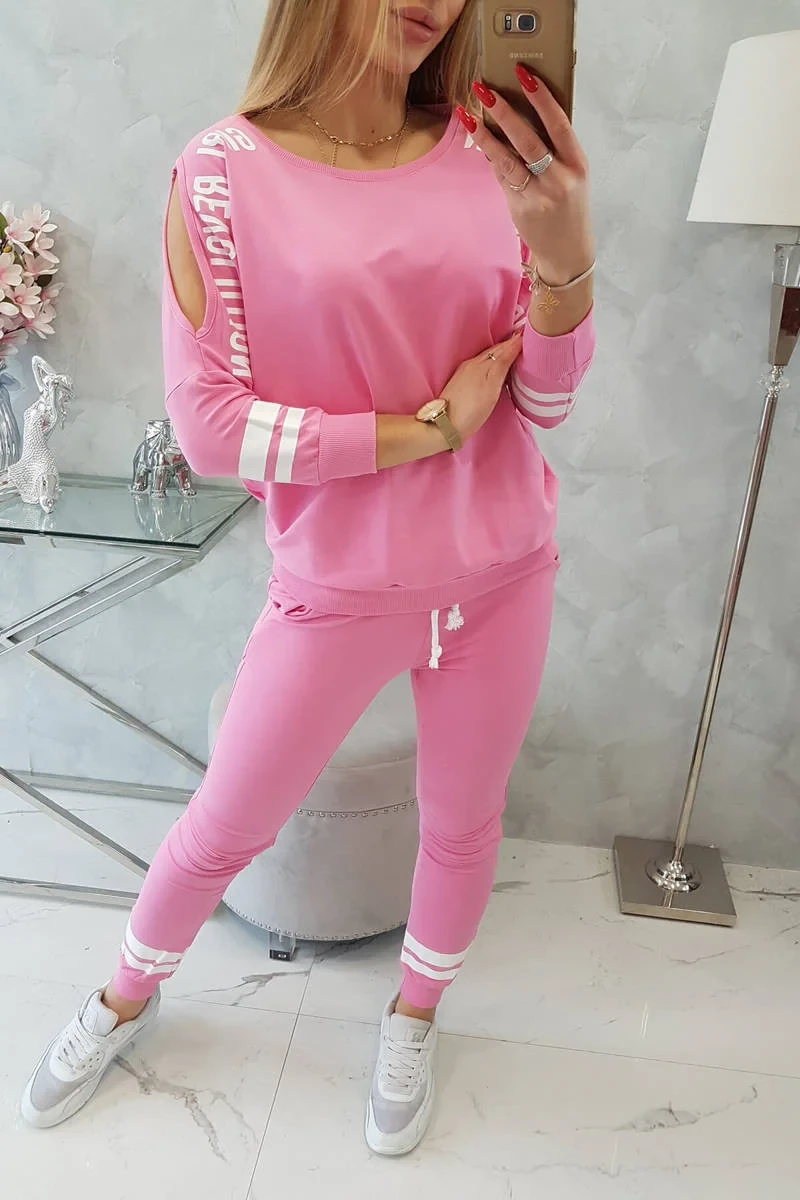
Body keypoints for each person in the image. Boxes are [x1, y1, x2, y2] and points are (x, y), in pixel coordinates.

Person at [22, 0, 595, 1155]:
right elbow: (212, 430)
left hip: (502, 572)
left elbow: (543, 400)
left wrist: (565, 256)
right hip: (337, 586)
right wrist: (426, 429)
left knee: (461, 822)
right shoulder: (221, 174)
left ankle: (412, 1015)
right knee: (225, 823)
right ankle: (123, 998)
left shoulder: (482, 154)